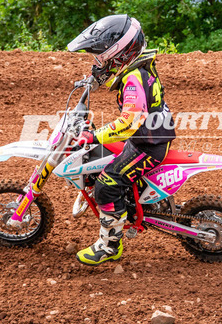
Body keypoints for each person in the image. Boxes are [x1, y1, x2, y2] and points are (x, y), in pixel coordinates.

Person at [67, 14, 176, 266]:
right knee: (104, 158)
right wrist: (93, 79)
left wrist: (93, 135)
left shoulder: (133, 80)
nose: (98, 62)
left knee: (107, 184)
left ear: (119, 54)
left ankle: (109, 246)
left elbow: (128, 122)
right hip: (149, 135)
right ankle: (127, 204)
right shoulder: (137, 68)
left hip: (148, 144)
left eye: (101, 57)